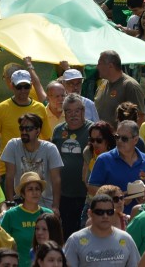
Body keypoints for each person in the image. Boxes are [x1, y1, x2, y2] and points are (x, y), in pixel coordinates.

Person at [0, 68, 50, 180]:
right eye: (19, 87)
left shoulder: (40, 108)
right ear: (11, 86)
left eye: (26, 87)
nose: (23, 90)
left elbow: (47, 139)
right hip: (8, 169)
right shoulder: (0, 109)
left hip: (35, 168)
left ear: (31, 86)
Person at [87, 120, 145, 213]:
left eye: (124, 139)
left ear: (135, 140)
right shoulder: (104, 159)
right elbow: (92, 189)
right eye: (117, 137)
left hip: (142, 217)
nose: (119, 141)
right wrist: (116, 199)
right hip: (112, 218)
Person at [1, 113, 62, 213]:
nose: (24, 132)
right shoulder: (13, 145)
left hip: (46, 203)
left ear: (38, 131)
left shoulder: (50, 148)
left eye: (28, 129)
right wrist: (11, 204)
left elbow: (56, 180)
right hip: (21, 202)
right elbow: (9, 177)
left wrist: (55, 207)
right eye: (22, 128)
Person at [51, 93, 92, 235]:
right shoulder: (58, 130)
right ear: (64, 113)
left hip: (85, 193)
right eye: (69, 111)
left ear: (83, 111)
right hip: (63, 193)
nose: (73, 115)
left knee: (83, 232)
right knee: (65, 232)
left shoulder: (92, 131)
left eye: (77, 111)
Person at [64, 192, 139, 267]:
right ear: (90, 213)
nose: (105, 216)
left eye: (109, 212)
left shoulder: (126, 238)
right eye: (100, 212)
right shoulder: (75, 240)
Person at [0, 172, 53, 267]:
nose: (35, 192)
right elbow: (2, 246)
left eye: (37, 189)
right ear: (23, 194)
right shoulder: (10, 215)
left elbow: (56, 243)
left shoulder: (48, 214)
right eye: (30, 189)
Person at [94, 50, 144, 126]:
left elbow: (140, 117)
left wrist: (124, 136)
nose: (97, 67)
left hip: (119, 137)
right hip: (99, 136)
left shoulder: (130, 85)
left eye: (99, 63)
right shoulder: (102, 83)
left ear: (110, 65)